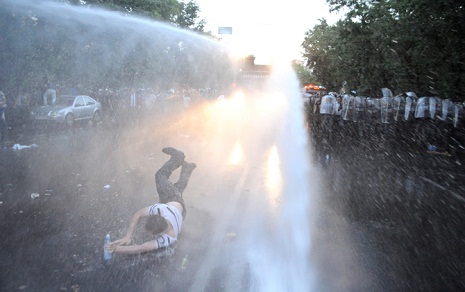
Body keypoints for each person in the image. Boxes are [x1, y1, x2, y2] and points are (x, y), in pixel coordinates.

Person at [106, 147, 196, 255]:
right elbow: (138, 214)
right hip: (172, 199)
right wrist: (127, 236)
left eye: (149, 233)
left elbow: (140, 248)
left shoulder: (169, 236)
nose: (148, 234)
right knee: (172, 186)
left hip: (179, 210)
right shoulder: (161, 211)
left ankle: (179, 158)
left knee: (161, 176)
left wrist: (115, 249)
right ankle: (185, 166)